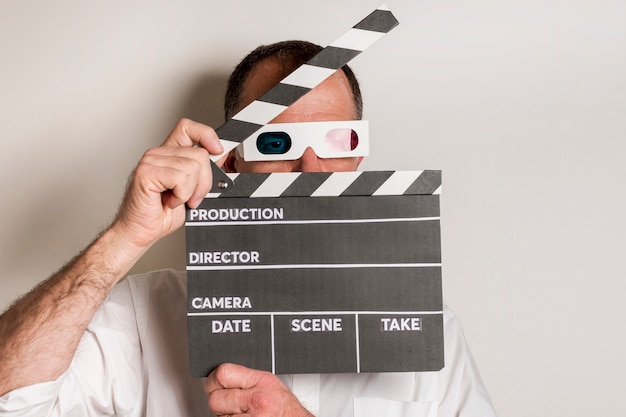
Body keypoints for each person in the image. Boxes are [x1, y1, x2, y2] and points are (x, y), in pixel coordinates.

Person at [0, 41, 497, 416]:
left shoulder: (425, 330)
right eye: (277, 141)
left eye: (332, 140)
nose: (309, 166)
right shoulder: (140, 316)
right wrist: (124, 238)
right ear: (232, 161)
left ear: (357, 157)